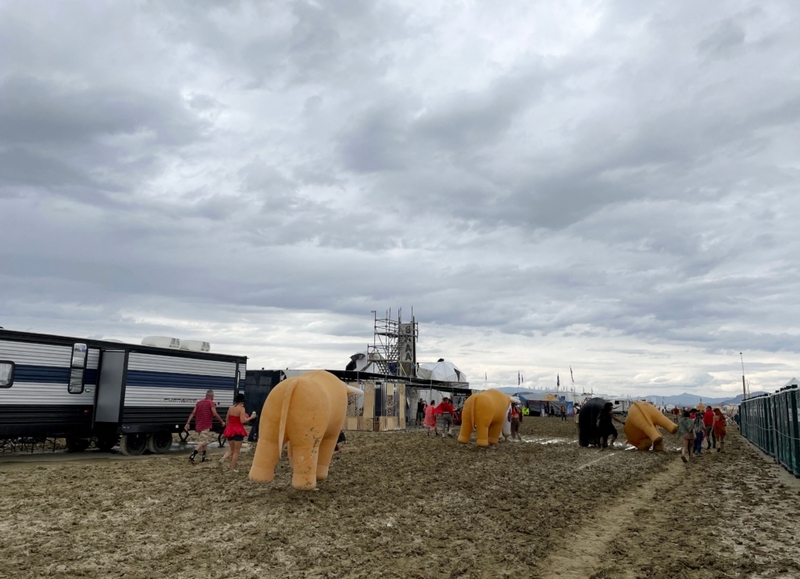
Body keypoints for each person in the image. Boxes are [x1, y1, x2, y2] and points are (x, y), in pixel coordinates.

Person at [219, 393, 257, 472]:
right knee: (236, 451)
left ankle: (223, 458)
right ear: (242, 401)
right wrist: (251, 417)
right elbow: (242, 421)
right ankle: (232, 469)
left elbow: (227, 420)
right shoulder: (241, 409)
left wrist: (226, 431)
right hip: (238, 430)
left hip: (230, 430)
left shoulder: (230, 408)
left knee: (232, 449)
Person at [185, 390, 225, 463]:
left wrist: (188, 422)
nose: (213, 398)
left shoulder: (199, 403)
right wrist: (222, 421)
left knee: (205, 442)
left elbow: (193, 413)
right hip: (206, 425)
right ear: (211, 396)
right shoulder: (211, 403)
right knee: (202, 441)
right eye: (213, 396)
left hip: (199, 425)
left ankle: (203, 458)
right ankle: (192, 456)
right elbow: (215, 414)